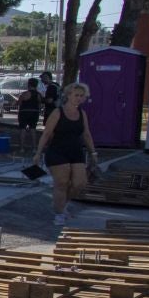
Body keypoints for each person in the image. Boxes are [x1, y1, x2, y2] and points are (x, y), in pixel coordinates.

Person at [35, 80, 98, 226]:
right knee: (62, 183)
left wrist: (93, 153)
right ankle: (59, 213)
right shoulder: (58, 112)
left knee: (79, 183)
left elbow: (86, 134)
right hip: (57, 151)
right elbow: (46, 134)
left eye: (82, 96)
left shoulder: (82, 113)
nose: (79, 98)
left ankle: (63, 206)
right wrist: (38, 153)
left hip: (76, 151)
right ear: (68, 95)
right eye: (76, 95)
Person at [15, 77, 43, 152]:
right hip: (35, 112)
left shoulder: (25, 93)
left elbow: (19, 103)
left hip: (24, 112)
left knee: (22, 129)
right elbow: (40, 103)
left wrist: (17, 101)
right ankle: (34, 148)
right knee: (33, 129)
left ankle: (22, 148)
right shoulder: (38, 94)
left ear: (29, 84)